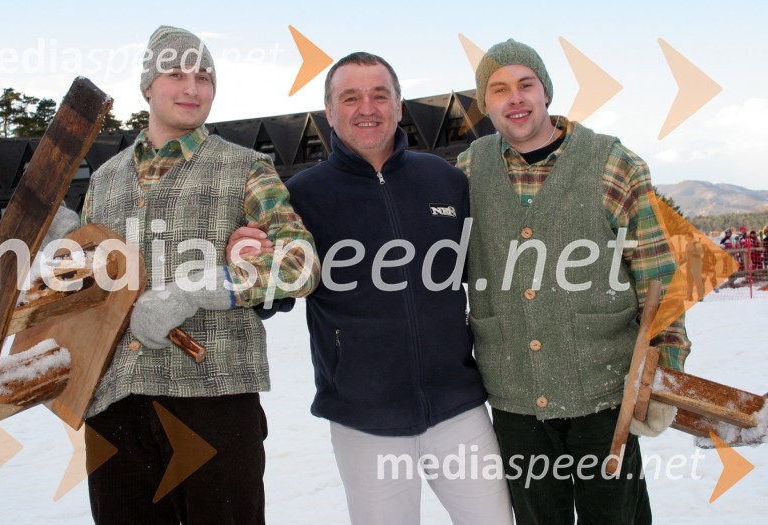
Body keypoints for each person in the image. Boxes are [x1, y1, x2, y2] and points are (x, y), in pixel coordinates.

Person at [75, 25, 319, 525]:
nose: (192, 87)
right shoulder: (103, 180)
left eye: (204, 76)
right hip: (114, 404)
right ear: (148, 86)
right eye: (176, 73)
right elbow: (89, 288)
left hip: (215, 400)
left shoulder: (246, 168)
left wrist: (201, 289)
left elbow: (300, 263)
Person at [457, 39, 691, 525]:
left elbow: (658, 276)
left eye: (526, 84)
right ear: (485, 104)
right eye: (499, 90)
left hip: (604, 390)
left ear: (546, 91)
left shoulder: (612, 163)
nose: (514, 98)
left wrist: (662, 371)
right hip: (515, 394)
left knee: (616, 516)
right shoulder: (466, 171)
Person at [278, 52, 512, 525]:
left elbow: (487, 273)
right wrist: (241, 255)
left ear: (399, 106)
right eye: (351, 97)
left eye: (379, 95)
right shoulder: (301, 196)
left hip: (459, 409)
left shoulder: (445, 180)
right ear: (330, 111)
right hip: (365, 421)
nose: (368, 107)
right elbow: (271, 292)